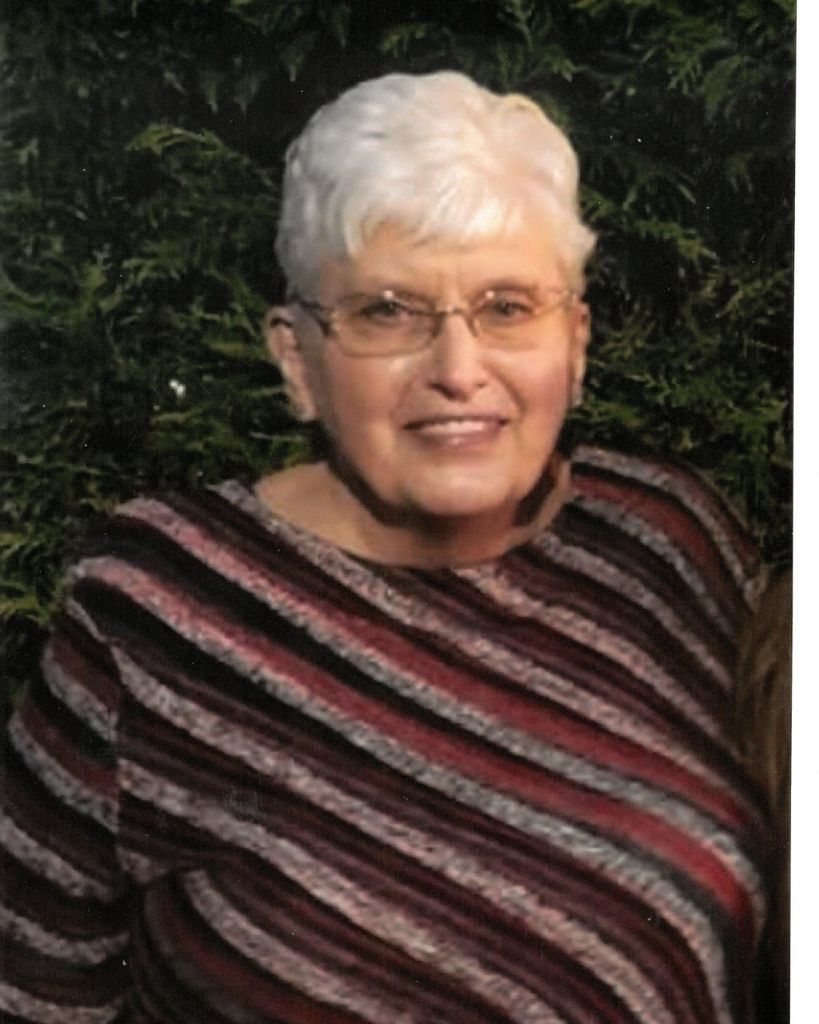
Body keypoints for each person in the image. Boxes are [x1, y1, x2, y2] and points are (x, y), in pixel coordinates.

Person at [1, 71, 771, 1024]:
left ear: (574, 344)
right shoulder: (158, 606)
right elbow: (32, 988)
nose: (457, 370)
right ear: (296, 359)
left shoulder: (667, 538)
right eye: (386, 313)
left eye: (507, 307)